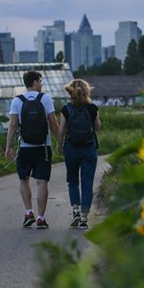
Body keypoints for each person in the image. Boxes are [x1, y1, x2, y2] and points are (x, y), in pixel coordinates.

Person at [5, 70, 59, 229]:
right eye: (40, 81)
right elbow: (53, 122)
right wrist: (59, 142)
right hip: (43, 147)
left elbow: (13, 125)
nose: (41, 84)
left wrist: (8, 146)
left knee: (24, 179)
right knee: (42, 182)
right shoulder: (45, 99)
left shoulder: (17, 100)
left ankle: (29, 212)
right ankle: (41, 217)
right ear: (34, 82)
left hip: (25, 147)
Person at [57, 78, 100, 230]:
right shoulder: (93, 108)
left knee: (73, 181)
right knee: (87, 184)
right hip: (89, 149)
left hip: (71, 148)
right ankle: (84, 218)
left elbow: (61, 130)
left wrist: (59, 146)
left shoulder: (66, 109)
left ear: (70, 91)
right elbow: (98, 127)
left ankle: (75, 211)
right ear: (87, 91)